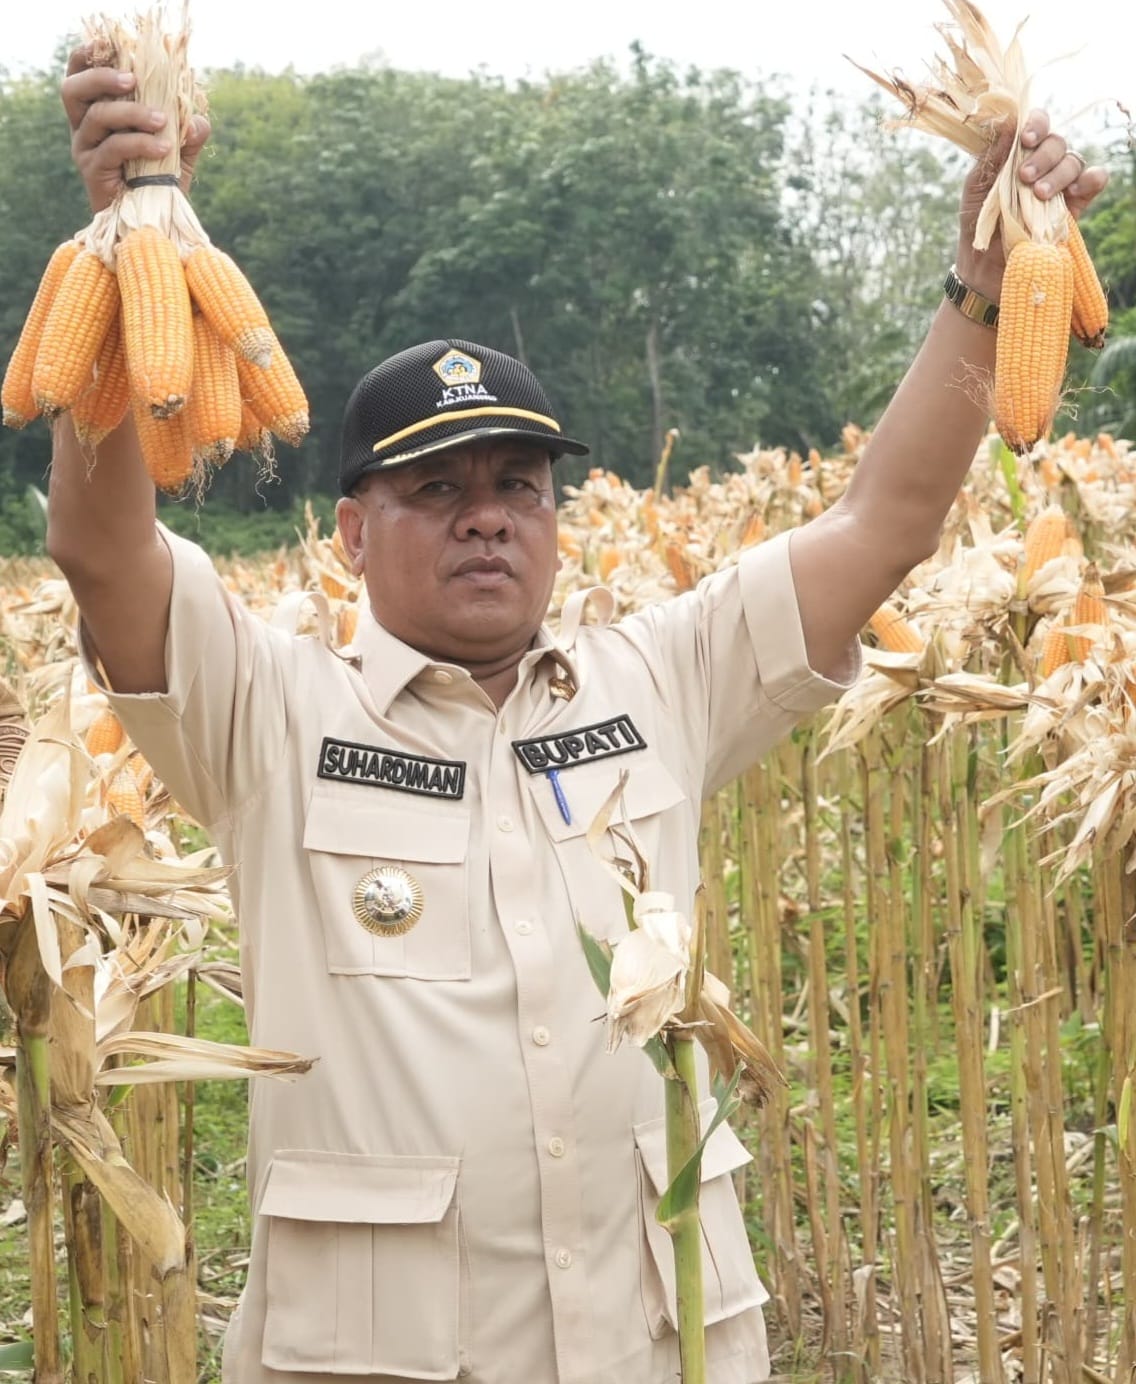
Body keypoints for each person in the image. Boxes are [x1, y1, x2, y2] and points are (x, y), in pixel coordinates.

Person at [50, 46, 1107, 1384]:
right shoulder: (266, 713)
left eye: (522, 484)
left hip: (654, 1341)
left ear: (558, 520)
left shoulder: (663, 679)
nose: (489, 512)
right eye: (439, 491)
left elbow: (884, 520)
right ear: (353, 534)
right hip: (388, 1358)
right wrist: (121, 242)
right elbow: (104, 551)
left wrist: (984, 288)